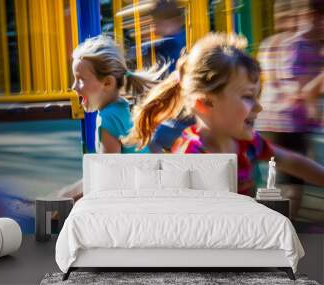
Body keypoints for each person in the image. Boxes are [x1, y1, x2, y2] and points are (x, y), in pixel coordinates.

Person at [124, 33, 324, 198]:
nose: (258, 107)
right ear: (205, 103)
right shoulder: (192, 156)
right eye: (247, 97)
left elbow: (292, 162)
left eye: (256, 96)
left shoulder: (248, 145)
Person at [72, 35, 167, 154]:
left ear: (107, 83)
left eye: (80, 80)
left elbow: (110, 170)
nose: (73, 87)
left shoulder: (107, 118)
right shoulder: (124, 106)